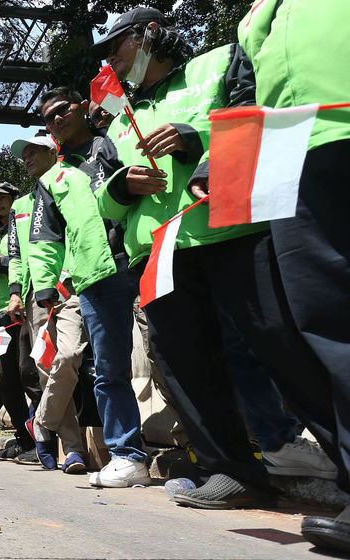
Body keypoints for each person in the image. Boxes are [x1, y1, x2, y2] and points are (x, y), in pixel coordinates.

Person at [92, 6, 324, 507]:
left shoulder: (219, 63)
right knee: (186, 368)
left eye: (116, 45)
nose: (111, 59)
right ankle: (233, 472)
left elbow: (258, 111)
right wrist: (122, 185)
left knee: (282, 345)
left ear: (150, 34)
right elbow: (102, 201)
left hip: (235, 233)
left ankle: (335, 456)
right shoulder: (118, 122)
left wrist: (196, 140)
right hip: (160, 255)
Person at [231, 2, 350, 549]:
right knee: (321, 326)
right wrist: (221, 162)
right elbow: (243, 93)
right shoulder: (256, 15)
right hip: (286, 156)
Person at [30, 87, 153, 485]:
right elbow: (45, 237)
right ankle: (127, 456)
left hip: (145, 257)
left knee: (172, 354)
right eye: (48, 117)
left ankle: (204, 448)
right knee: (108, 370)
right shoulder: (51, 179)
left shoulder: (118, 139)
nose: (56, 119)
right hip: (95, 277)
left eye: (62, 110)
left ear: (83, 107)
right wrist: (44, 284)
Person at [10, 136, 90, 476]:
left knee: (69, 357)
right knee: (46, 369)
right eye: (24, 155)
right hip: (37, 296)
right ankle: (72, 451)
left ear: (52, 152)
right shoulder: (19, 205)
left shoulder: (74, 182)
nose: (27, 159)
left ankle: (41, 421)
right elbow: (15, 253)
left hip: (72, 286)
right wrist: (16, 291)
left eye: (34, 152)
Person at [0, 182, 39, 461]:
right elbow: (0, 280)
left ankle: (43, 441)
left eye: (1, 199)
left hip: (21, 311)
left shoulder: (26, 225)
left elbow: (24, 261)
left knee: (29, 375)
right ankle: (24, 439)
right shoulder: (2, 235)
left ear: (16, 200)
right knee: (4, 381)